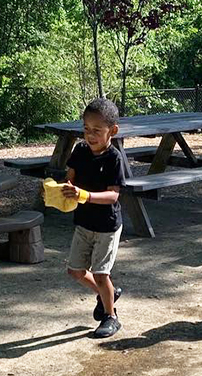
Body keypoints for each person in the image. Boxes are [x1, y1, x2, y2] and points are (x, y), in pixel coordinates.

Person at [61, 97, 129, 338]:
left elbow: (113, 196)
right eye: (86, 129)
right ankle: (107, 293)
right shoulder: (79, 151)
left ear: (113, 131)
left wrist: (85, 195)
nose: (90, 135)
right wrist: (60, 190)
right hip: (83, 222)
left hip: (107, 226)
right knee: (75, 271)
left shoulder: (114, 158)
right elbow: (70, 178)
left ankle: (111, 317)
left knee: (101, 274)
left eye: (97, 131)